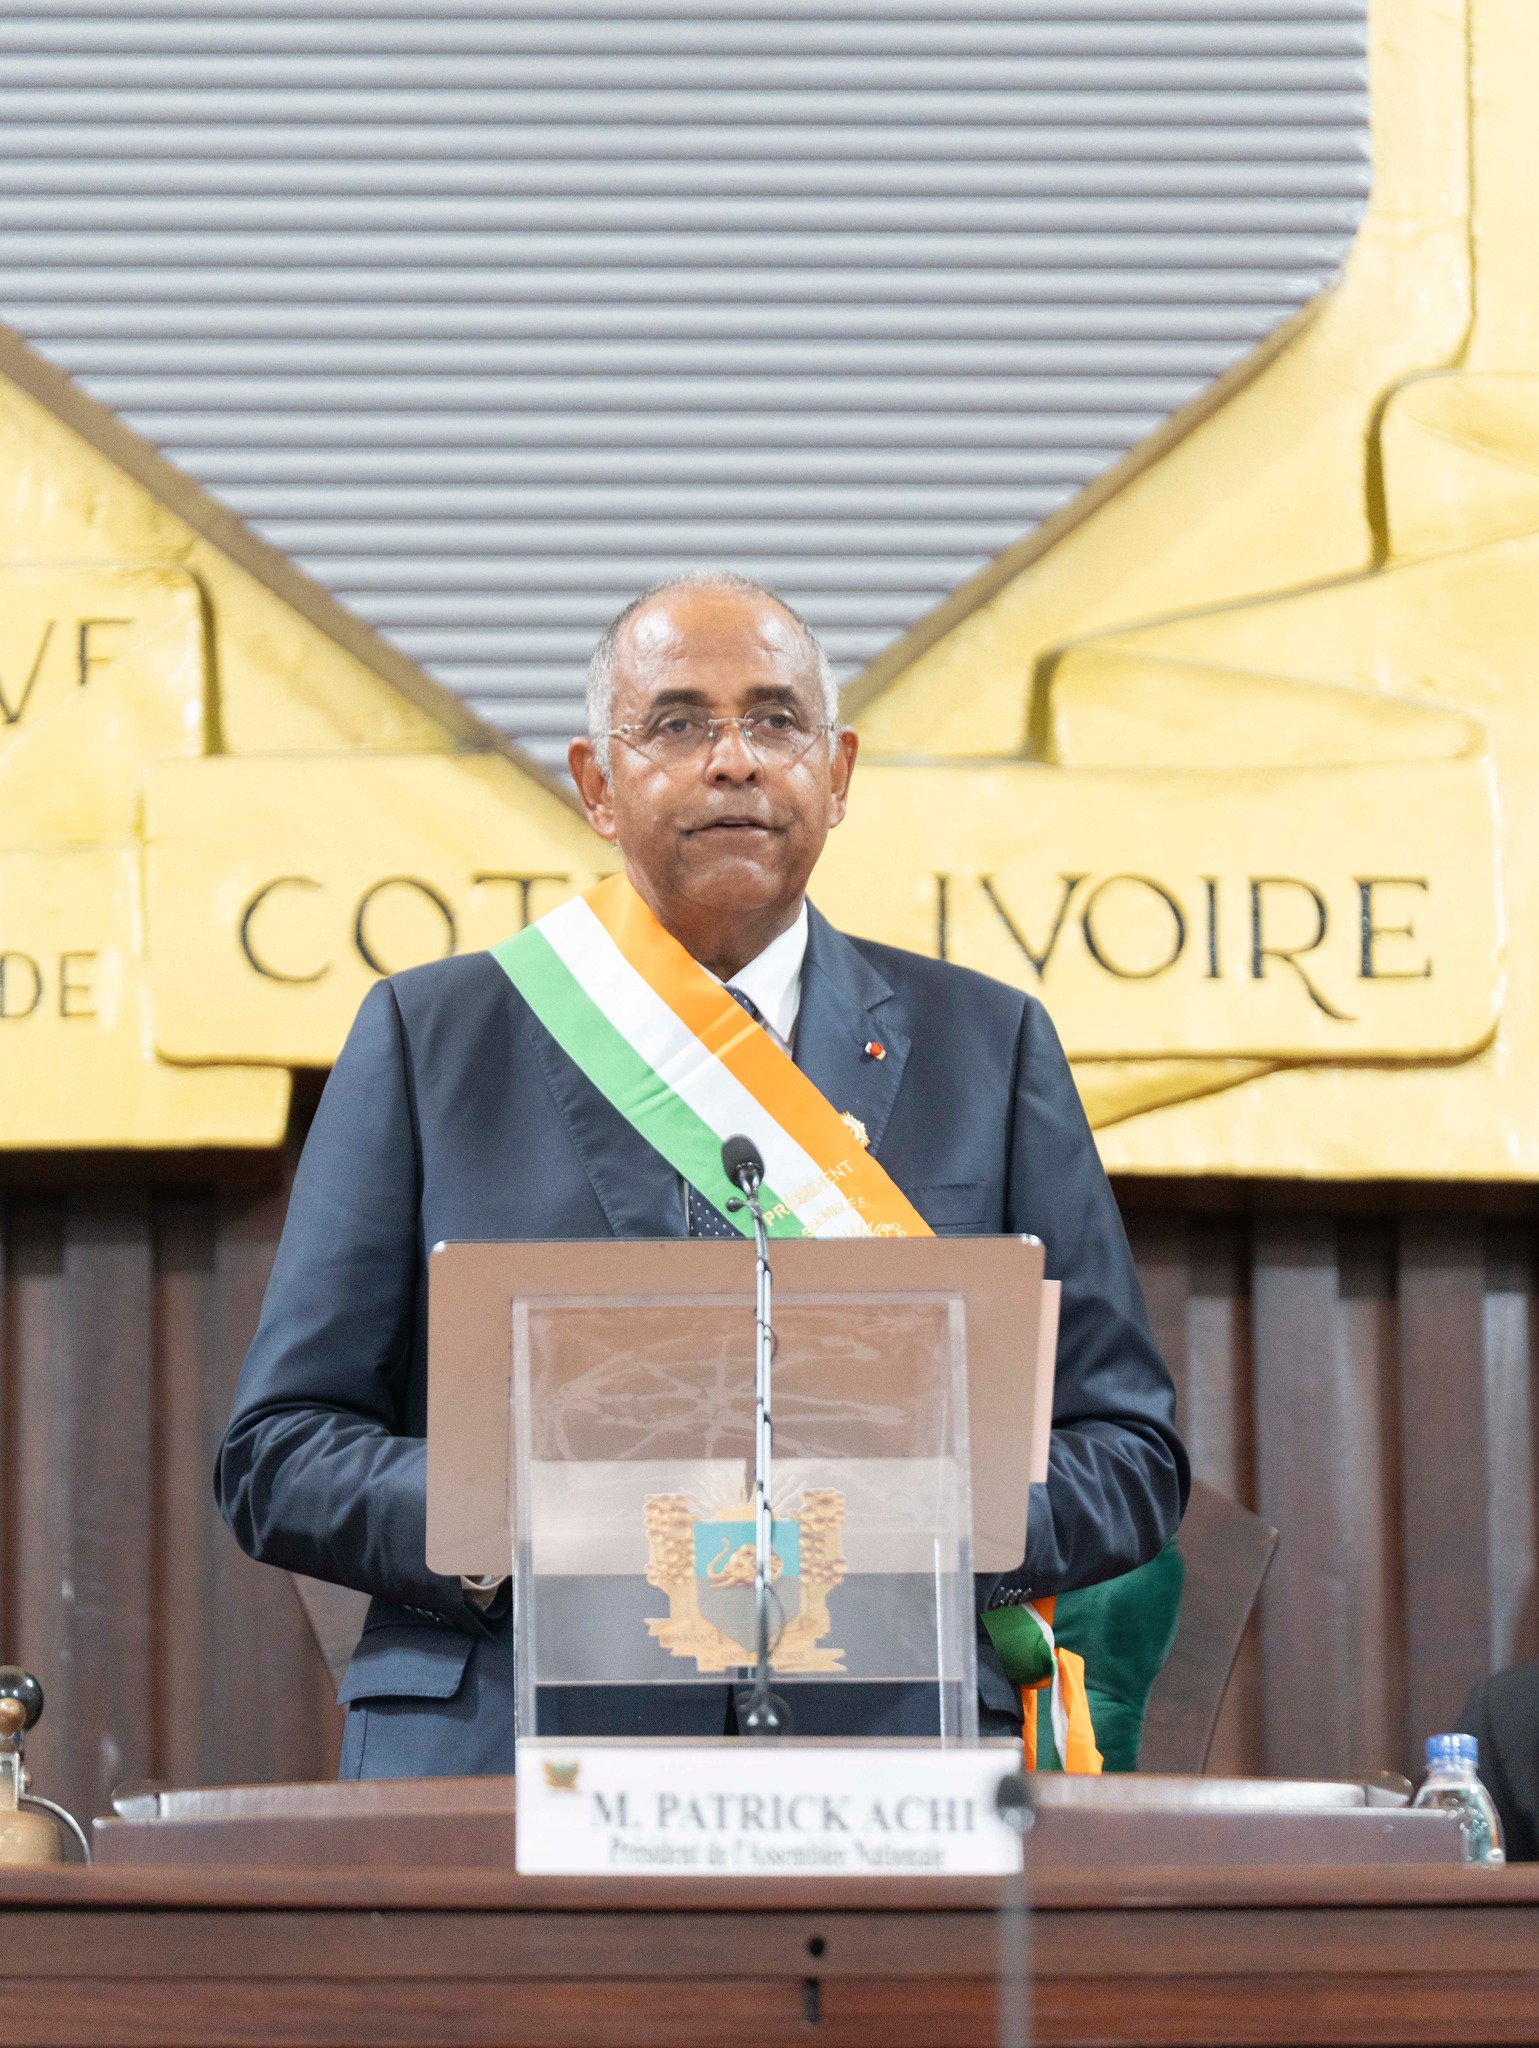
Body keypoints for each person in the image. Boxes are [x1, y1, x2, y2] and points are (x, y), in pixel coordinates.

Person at [216, 570, 1188, 1777]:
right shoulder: (433, 1037)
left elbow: (1131, 1455)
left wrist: (924, 1524)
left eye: (775, 721)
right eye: (677, 723)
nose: (734, 760)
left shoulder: (987, 1048)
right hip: (509, 1754)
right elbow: (277, 1452)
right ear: (595, 782)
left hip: (887, 1748)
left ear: (836, 774)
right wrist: (535, 1512)